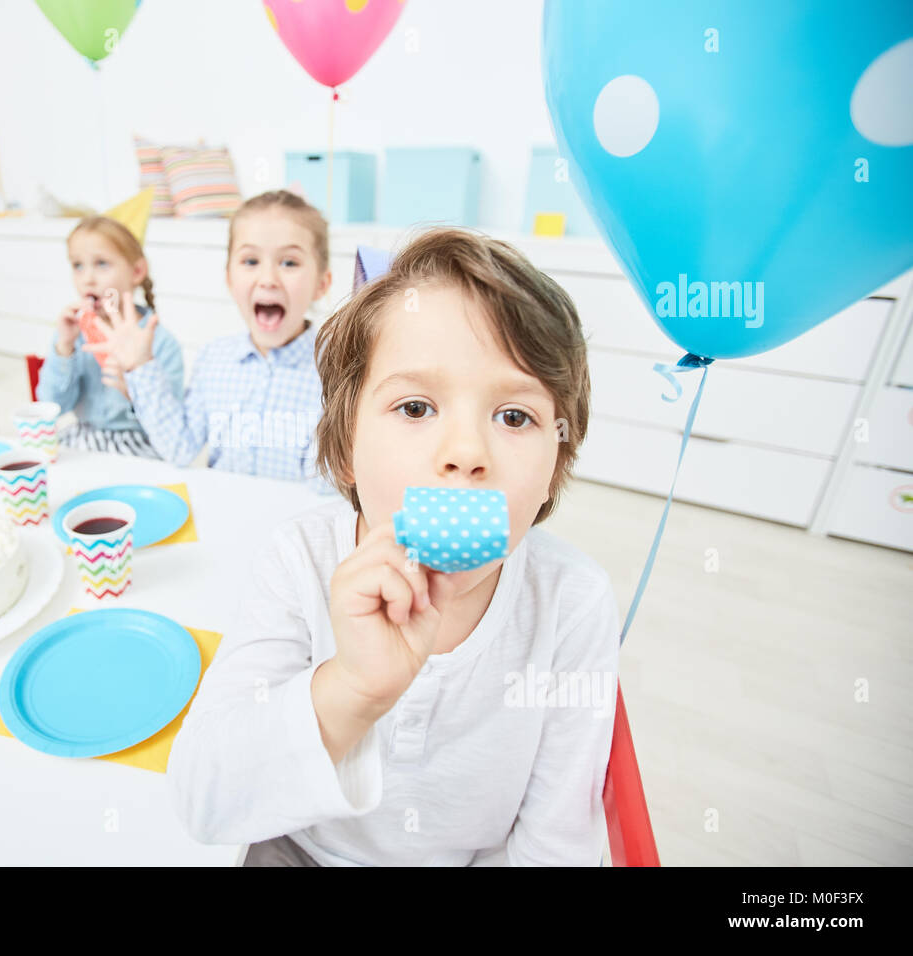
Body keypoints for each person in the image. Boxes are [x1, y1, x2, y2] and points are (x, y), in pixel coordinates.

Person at [166, 228, 619, 866]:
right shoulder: (299, 559)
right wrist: (350, 688)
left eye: (514, 417)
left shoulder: (573, 604)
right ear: (345, 447)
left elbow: (557, 842)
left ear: (557, 457)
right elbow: (203, 800)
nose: (465, 454)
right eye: (415, 407)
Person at [97, 190, 332, 488]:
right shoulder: (213, 358)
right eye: (250, 261)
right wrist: (140, 367)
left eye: (289, 263)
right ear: (229, 278)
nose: (268, 278)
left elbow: (329, 488)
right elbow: (180, 448)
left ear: (321, 284)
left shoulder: (335, 369)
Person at [37, 215, 182, 456]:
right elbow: (52, 407)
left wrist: (135, 389)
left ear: (136, 271)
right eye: (78, 266)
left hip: (140, 446)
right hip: (82, 439)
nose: (87, 279)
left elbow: (172, 423)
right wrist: (64, 348)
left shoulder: (162, 343)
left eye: (102, 263)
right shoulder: (73, 335)